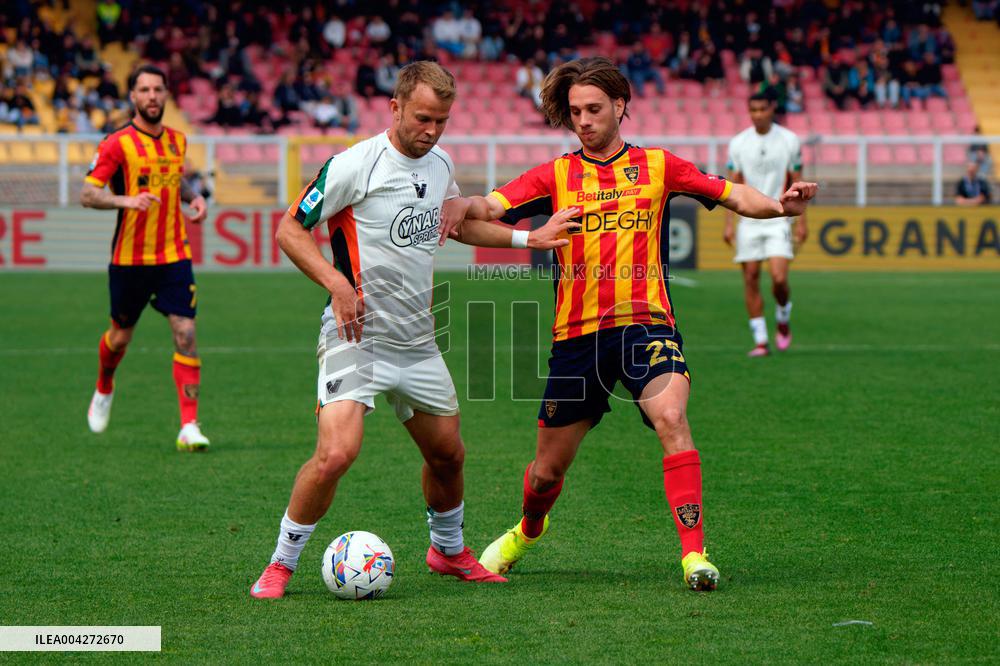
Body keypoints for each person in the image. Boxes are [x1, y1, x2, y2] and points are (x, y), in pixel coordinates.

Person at [442, 57, 817, 591]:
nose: (583, 121)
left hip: (647, 326)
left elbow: (731, 193)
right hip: (576, 339)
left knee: (671, 418)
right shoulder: (556, 174)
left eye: (594, 109)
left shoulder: (659, 167)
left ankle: (694, 556)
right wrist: (463, 204)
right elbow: (491, 204)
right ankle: (528, 530)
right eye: (575, 112)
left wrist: (780, 207)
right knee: (547, 472)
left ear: (621, 105)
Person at [248, 61, 573, 599]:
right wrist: (337, 284)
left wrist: (527, 240)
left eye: (441, 121)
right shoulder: (355, 164)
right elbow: (289, 229)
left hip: (417, 341)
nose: (431, 131)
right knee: (336, 454)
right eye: (422, 118)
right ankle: (281, 564)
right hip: (356, 336)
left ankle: (448, 552)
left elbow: (460, 222)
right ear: (395, 108)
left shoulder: (440, 163)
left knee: (448, 454)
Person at [80, 64, 210, 450]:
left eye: (158, 89)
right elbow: (88, 193)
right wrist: (126, 200)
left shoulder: (177, 141)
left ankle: (189, 427)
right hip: (129, 260)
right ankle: (104, 384)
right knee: (119, 338)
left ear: (166, 94)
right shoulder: (116, 143)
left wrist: (194, 197)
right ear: (133, 97)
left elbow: (174, 178)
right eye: (144, 90)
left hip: (173, 255)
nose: (152, 96)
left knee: (185, 333)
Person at [725, 92, 807, 357]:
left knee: (779, 278)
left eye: (762, 108)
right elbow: (732, 185)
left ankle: (783, 316)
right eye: (753, 110)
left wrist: (801, 221)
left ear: (772, 108)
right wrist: (729, 224)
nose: (757, 114)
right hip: (747, 220)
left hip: (778, 218)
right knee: (750, 278)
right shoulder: (738, 143)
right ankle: (761, 341)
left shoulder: (789, 140)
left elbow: (798, 182)